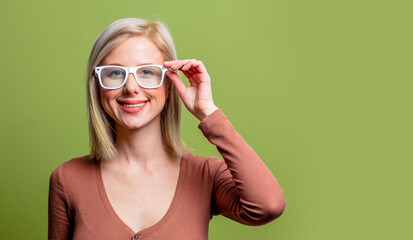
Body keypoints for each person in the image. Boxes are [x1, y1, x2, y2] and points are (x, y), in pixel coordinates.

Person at [48, 18, 286, 240]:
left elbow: (268, 206)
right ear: (98, 86)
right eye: (115, 73)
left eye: (147, 72)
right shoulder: (67, 179)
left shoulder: (205, 175)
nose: (131, 87)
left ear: (169, 85)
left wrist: (208, 113)